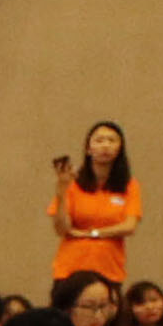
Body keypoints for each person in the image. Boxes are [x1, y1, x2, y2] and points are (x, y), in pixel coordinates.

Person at [49, 121, 137, 284]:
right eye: (99, 140)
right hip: (70, 269)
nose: (105, 145)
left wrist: (91, 233)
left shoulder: (129, 185)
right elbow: (62, 229)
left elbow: (129, 226)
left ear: (120, 149)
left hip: (109, 270)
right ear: (88, 149)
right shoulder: (72, 184)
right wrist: (61, 192)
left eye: (112, 140)